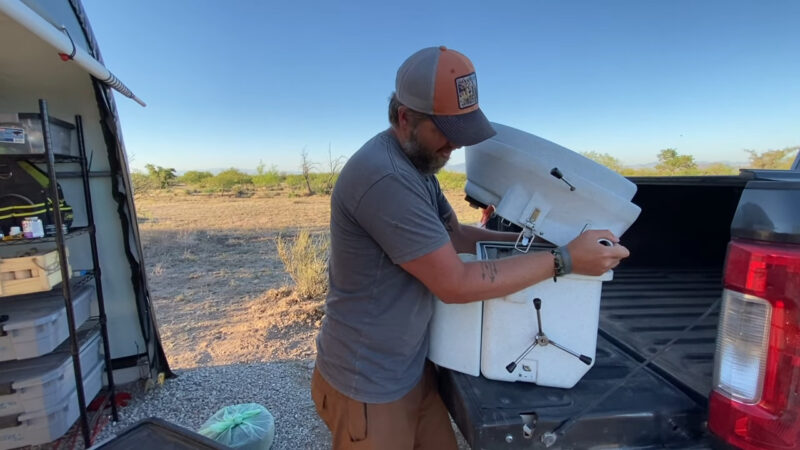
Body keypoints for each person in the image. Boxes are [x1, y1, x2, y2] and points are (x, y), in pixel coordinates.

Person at [311, 46, 630, 450]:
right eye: (445, 131)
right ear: (405, 117)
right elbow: (455, 283)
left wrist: (540, 243)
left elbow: (456, 236)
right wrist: (564, 260)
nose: (454, 146)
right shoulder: (384, 178)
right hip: (368, 384)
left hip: (409, 369)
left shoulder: (416, 164)